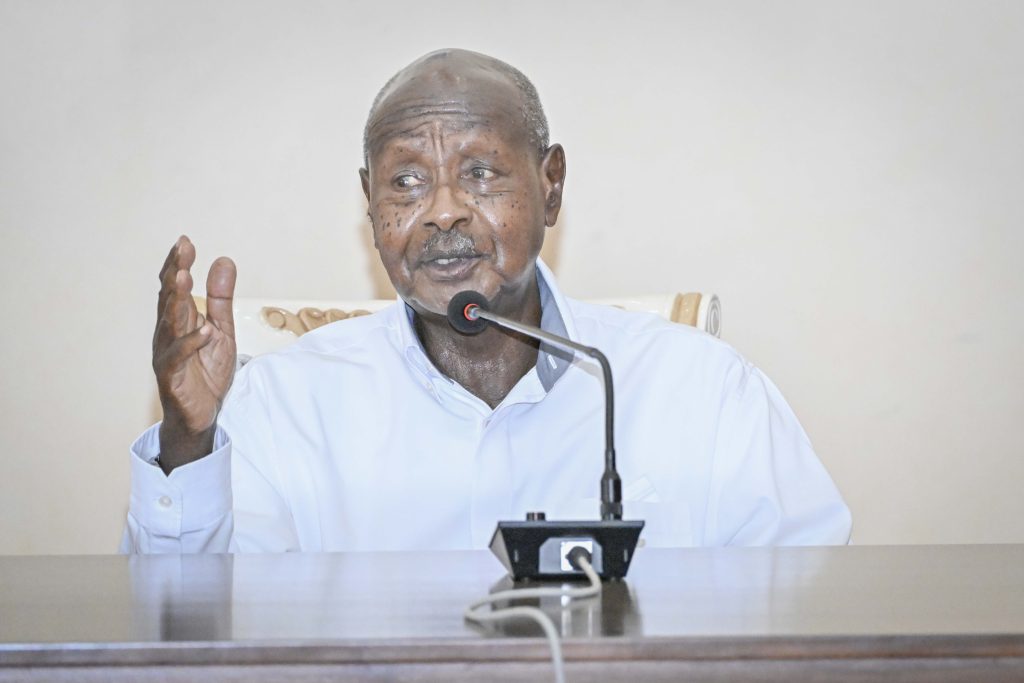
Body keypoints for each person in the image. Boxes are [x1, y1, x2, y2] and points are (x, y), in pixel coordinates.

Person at [122, 49, 851, 553]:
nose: (442, 212)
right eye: (405, 181)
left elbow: (811, 602)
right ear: (370, 202)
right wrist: (188, 441)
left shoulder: (702, 390)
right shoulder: (281, 403)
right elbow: (187, 625)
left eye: (480, 173)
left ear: (551, 185)